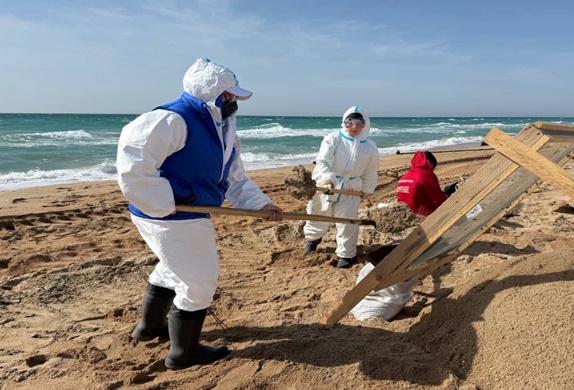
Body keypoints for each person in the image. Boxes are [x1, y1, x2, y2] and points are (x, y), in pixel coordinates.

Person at [116, 58, 283, 370]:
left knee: (172, 267)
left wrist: (260, 204)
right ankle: (183, 354)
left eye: (234, 96)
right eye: (228, 94)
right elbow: (133, 161)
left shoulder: (224, 128)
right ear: (209, 92)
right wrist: (165, 202)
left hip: (181, 213)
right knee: (200, 282)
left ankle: (149, 328)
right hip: (172, 215)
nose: (233, 100)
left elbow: (233, 178)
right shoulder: (172, 118)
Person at [302, 107, 379, 269]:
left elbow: (371, 171)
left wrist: (367, 189)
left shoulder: (370, 147)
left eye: (359, 123)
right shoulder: (333, 139)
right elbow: (323, 161)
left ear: (365, 125)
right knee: (319, 213)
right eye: (349, 122)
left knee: (347, 222)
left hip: (350, 189)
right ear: (344, 122)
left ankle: (346, 255)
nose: (354, 127)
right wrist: (327, 179)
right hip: (327, 186)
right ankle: (312, 240)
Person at [397, 151, 454, 216]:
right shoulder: (426, 175)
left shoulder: (403, 178)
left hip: (408, 215)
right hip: (425, 215)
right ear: (430, 164)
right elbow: (439, 199)